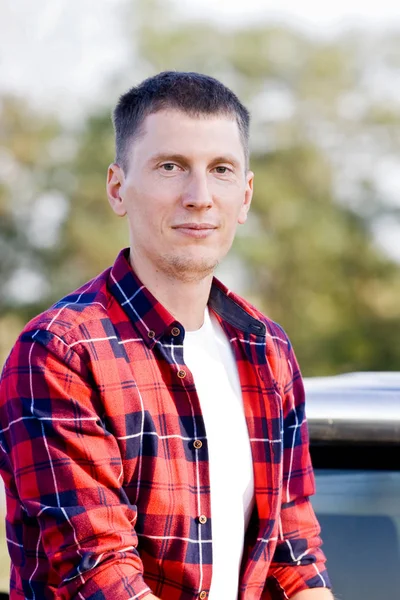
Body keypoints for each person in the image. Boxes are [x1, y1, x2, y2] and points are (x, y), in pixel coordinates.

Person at [0, 71, 333, 600]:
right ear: (117, 188)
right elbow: (97, 573)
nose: (199, 196)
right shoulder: (60, 353)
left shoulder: (267, 351)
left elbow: (295, 556)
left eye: (220, 170)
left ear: (245, 196)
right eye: (171, 167)